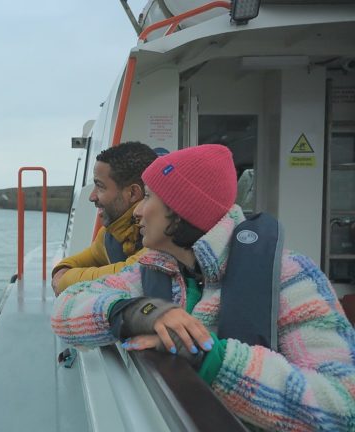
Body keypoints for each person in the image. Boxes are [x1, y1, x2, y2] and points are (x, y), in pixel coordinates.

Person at [51, 144, 355, 431]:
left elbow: (343, 408)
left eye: (149, 198)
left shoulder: (291, 277)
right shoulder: (155, 268)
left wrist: (208, 356)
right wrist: (136, 312)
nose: (138, 211)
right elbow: (65, 308)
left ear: (181, 209)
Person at [51, 141, 157, 295]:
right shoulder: (111, 235)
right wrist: (61, 270)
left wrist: (64, 280)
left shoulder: (161, 235)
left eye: (100, 186)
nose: (92, 197)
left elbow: (131, 274)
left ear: (133, 193)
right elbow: (76, 261)